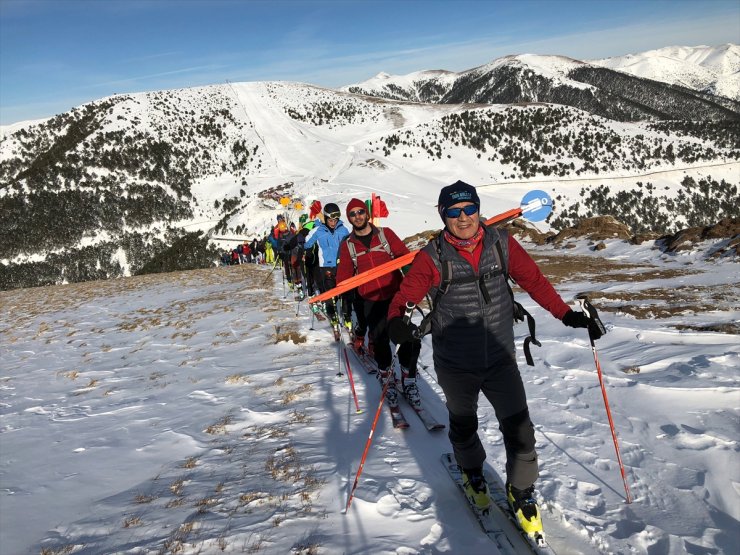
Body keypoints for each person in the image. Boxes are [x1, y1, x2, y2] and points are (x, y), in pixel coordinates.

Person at [387, 180, 605, 537]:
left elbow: (535, 282)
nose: (463, 218)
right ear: (443, 215)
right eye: (454, 212)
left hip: (500, 357)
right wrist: (396, 322)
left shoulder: (502, 245)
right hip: (455, 362)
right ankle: (473, 475)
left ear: (478, 208)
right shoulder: (431, 257)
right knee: (464, 424)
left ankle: (520, 492)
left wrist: (567, 315)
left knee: (520, 429)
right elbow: (404, 297)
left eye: (469, 209)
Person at [336, 198, 421, 408]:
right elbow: (345, 275)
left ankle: (408, 380)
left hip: (396, 295)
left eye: (360, 212)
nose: (357, 216)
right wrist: (341, 292)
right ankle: (386, 377)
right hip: (370, 299)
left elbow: (404, 258)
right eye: (353, 214)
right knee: (380, 340)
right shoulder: (347, 245)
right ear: (350, 219)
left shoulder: (386, 234)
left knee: (408, 338)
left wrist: (414, 281)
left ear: (367, 214)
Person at [304, 202, 351, 328]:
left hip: (342, 266)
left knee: (345, 292)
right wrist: (306, 244)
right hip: (326, 266)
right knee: (330, 292)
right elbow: (306, 243)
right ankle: (333, 315)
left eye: (335, 219)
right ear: (325, 218)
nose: (333, 222)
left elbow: (351, 243)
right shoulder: (318, 230)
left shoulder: (344, 230)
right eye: (330, 219)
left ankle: (347, 316)